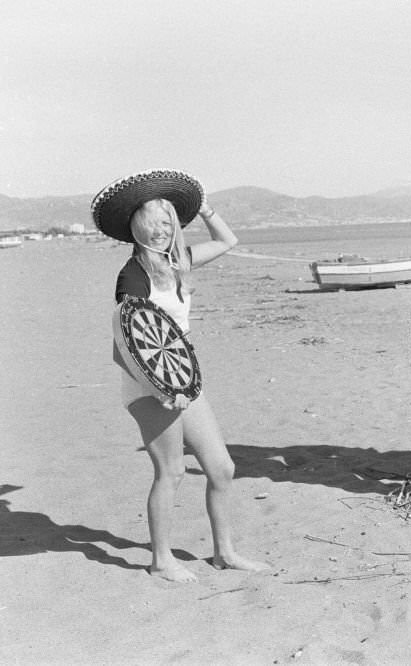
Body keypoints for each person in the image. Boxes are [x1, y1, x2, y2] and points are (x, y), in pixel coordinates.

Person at [91, 169, 268, 582]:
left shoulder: (180, 262)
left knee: (221, 468)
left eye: (167, 223)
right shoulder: (132, 275)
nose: (160, 232)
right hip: (147, 383)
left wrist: (204, 207)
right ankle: (161, 560)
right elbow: (124, 343)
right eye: (153, 225)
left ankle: (224, 553)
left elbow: (228, 241)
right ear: (138, 228)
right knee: (170, 471)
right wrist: (161, 390)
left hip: (184, 378)